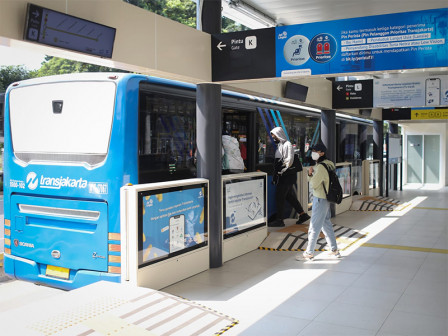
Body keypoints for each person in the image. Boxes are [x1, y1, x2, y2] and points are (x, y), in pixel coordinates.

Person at [298, 143, 341, 260]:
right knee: (325, 223)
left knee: (314, 226)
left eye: (316, 151)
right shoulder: (329, 164)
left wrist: (310, 174)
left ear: (322, 153)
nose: (313, 153)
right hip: (326, 198)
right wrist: (312, 174)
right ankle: (334, 249)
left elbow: (313, 184)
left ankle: (309, 252)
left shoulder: (321, 167)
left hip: (320, 198)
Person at [269, 127, 310, 227]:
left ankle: (280, 220)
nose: (273, 137)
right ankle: (303, 215)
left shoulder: (287, 145)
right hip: (285, 176)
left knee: (280, 197)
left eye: (274, 135)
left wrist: (280, 172)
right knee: (289, 196)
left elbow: (289, 161)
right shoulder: (281, 145)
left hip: (286, 176)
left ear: (279, 134)